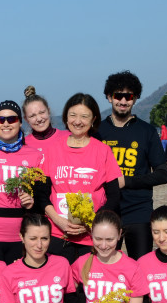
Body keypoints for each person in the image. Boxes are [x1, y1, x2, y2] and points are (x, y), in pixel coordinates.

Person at [40, 93, 122, 263]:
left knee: (88, 280)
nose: (78, 121)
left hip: (92, 237)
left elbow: (114, 196)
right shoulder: (52, 150)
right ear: (66, 117)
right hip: (58, 234)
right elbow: (41, 193)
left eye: (84, 116)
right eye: (73, 115)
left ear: (93, 119)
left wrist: (93, 222)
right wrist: (58, 220)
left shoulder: (103, 151)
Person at [96, 70, 167, 260]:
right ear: (109, 97)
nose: (123, 101)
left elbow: (162, 174)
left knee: (142, 267)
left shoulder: (147, 131)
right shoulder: (97, 131)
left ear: (135, 98)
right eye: (118, 96)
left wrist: (126, 181)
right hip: (106, 210)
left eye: (128, 96)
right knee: (105, 266)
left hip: (139, 212)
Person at [0, 100, 43, 263]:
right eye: (0, 119)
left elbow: (41, 196)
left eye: (11, 119)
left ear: (20, 122)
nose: (5, 124)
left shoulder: (35, 155)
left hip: (20, 233)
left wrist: (32, 202)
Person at [23, 86, 67, 151]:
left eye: (42, 112)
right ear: (26, 119)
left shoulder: (68, 137)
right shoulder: (23, 145)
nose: (39, 119)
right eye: (32, 116)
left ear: (48, 111)